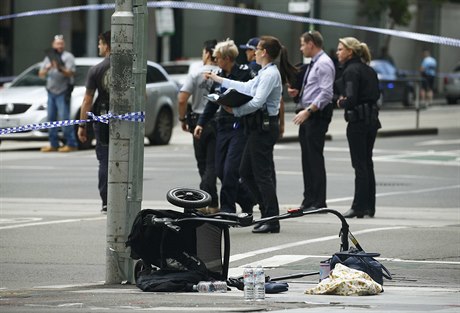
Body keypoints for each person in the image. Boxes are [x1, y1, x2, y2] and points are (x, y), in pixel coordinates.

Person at [204, 35, 297, 234]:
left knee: (262, 175)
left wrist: (234, 111)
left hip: (264, 127)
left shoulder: (271, 74)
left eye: (257, 49)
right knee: (246, 172)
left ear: (264, 52)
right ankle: (266, 213)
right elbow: (246, 87)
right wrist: (218, 79)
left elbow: (257, 101)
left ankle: (271, 218)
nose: (254, 52)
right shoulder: (265, 72)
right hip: (256, 127)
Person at [194, 39, 256, 214]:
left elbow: (253, 95)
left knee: (230, 169)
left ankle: (228, 208)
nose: (215, 60)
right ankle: (246, 198)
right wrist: (201, 124)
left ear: (227, 58)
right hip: (223, 125)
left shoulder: (244, 73)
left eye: (218, 57)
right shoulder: (219, 75)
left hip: (240, 125)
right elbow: (212, 103)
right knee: (220, 169)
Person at [287, 31, 335, 212]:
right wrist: (298, 94)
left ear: (311, 44)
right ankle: (309, 199)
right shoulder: (315, 63)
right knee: (307, 159)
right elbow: (315, 89)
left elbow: (326, 93)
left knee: (314, 158)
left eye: (302, 44)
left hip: (315, 115)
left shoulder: (323, 64)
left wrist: (308, 111)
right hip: (308, 112)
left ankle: (318, 200)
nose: (301, 48)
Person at [335, 37, 381, 219]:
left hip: (358, 123)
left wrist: (340, 101)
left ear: (350, 52)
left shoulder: (351, 71)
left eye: (340, 49)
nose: (338, 52)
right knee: (367, 163)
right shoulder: (369, 70)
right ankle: (370, 206)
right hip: (371, 121)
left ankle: (358, 207)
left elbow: (351, 99)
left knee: (360, 165)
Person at [177, 40, 220, 211]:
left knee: (203, 164)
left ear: (208, 53)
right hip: (217, 120)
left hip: (198, 120)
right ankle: (213, 202)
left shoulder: (195, 74)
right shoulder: (224, 73)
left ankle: (202, 199)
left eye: (203, 53)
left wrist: (182, 119)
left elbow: (182, 98)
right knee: (212, 163)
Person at [77, 31, 111, 213]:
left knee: (105, 160)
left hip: (103, 119)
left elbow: (87, 100)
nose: (99, 47)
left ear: (107, 45)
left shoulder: (96, 70)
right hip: (128, 121)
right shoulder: (130, 68)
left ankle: (106, 201)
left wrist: (82, 126)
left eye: (100, 43)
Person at [39, 34, 78, 152]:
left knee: (64, 118)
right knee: (51, 118)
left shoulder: (68, 57)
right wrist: (49, 67)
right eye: (57, 44)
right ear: (53, 45)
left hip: (63, 91)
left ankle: (71, 143)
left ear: (64, 44)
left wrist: (60, 68)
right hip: (51, 92)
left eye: (61, 43)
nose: (59, 46)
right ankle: (53, 144)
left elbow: (71, 73)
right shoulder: (48, 58)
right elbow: (41, 74)